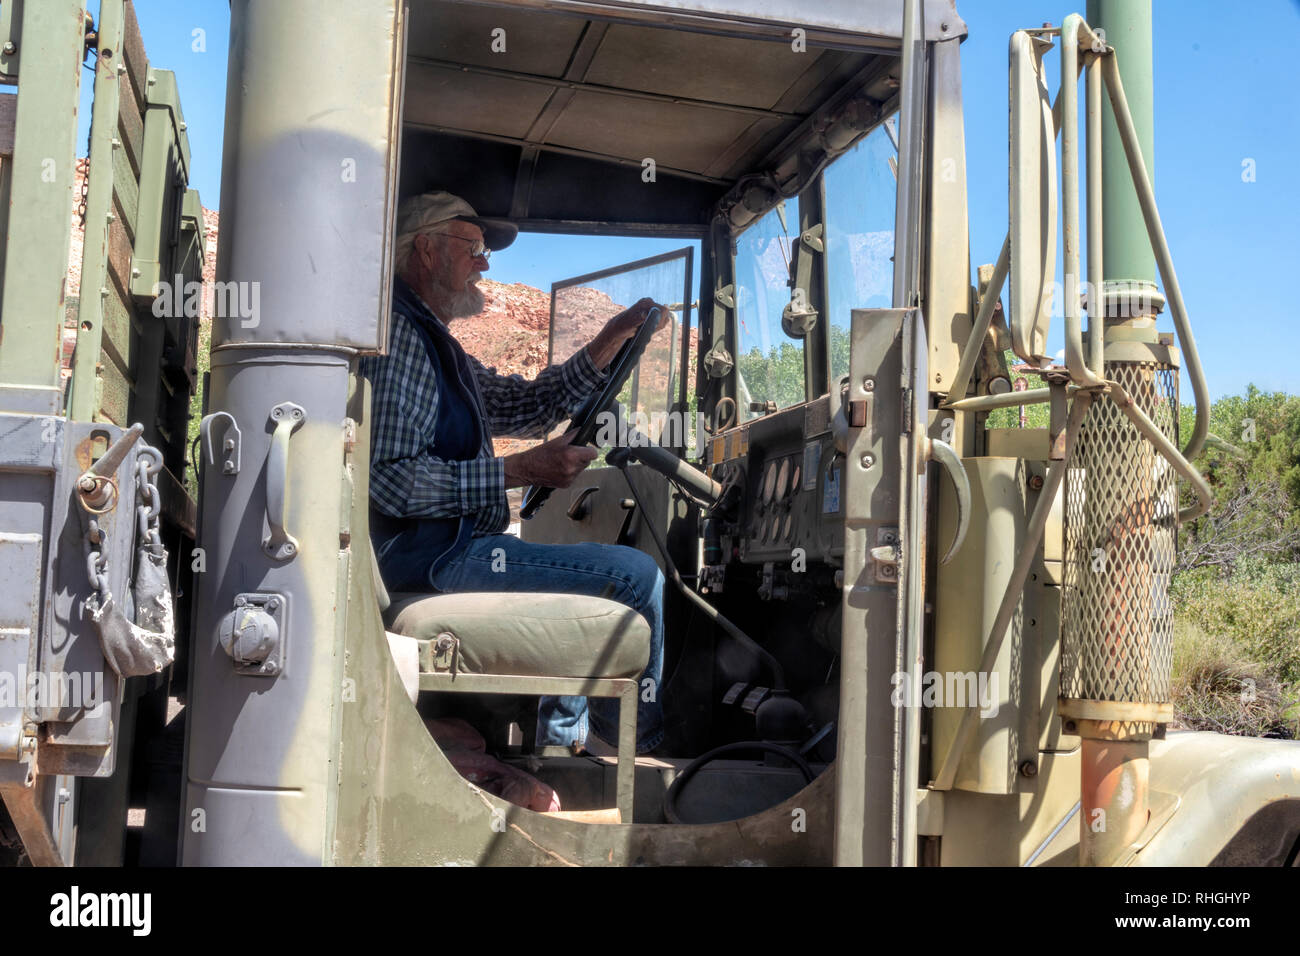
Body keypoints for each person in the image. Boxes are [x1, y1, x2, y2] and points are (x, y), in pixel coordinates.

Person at [360, 190, 666, 755]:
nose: (484, 261)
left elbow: (527, 406)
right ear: (425, 251)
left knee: (611, 577)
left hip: (445, 549)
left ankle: (563, 748)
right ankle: (632, 757)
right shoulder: (402, 339)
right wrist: (521, 469)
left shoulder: (436, 344)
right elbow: (390, 480)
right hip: (429, 556)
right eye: (472, 245)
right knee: (635, 580)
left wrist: (607, 343)